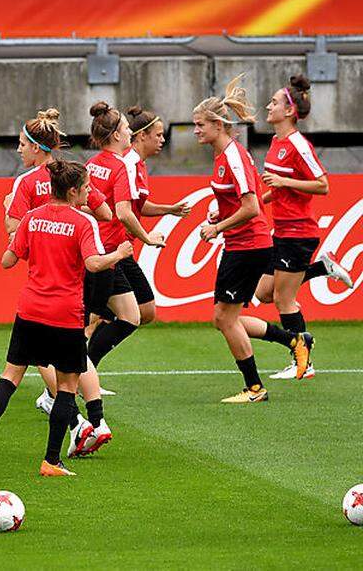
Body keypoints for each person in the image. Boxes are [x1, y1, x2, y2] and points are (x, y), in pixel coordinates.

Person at [0, 161, 133, 478]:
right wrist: (119, 254)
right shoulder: (82, 222)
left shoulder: (30, 218)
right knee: (67, 385)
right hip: (64, 314)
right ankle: (51, 461)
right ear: (72, 191)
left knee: (10, 376)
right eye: (87, 187)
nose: (90, 191)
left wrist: (14, 234)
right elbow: (94, 264)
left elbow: (7, 261)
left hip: (29, 310)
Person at [3, 109, 115, 457]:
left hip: (47, 283)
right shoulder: (74, 173)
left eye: (22, 144)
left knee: (41, 357)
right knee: (77, 353)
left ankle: (78, 423)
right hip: (79, 274)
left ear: (37, 148)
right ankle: (98, 420)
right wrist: (75, 218)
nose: (19, 150)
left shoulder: (26, 182)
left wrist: (9, 208)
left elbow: (13, 230)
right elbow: (106, 214)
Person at [193, 75, 311, 404]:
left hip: (249, 245)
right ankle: (293, 341)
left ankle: (256, 387)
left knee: (223, 318)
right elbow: (249, 197)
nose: (196, 131)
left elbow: (252, 206)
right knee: (227, 317)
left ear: (218, 124)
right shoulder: (224, 156)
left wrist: (217, 228)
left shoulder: (232, 155)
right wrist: (220, 213)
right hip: (241, 244)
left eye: (200, 124)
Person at [250, 74, 343, 380]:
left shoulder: (298, 145)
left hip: (298, 232)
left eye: (274, 102)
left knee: (283, 299)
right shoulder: (277, 142)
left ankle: (303, 362)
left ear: (289, 111)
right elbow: (276, 188)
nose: (268, 105)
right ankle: (321, 269)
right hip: (282, 231)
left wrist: (284, 181)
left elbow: (323, 185)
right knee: (264, 293)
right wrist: (254, 204)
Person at [83, 102, 166, 370]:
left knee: (130, 314)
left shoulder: (92, 164)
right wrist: (148, 238)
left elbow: (85, 205)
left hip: (98, 249)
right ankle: (70, 383)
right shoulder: (121, 166)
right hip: (111, 252)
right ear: (117, 135)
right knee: (125, 317)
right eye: (127, 128)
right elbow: (124, 212)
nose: (130, 132)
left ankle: (80, 377)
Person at [123, 105, 194, 327]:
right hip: (114, 247)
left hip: (120, 247)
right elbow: (123, 211)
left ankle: (85, 356)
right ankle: (85, 357)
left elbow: (137, 206)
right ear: (142, 136)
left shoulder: (137, 164)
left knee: (141, 311)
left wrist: (169, 209)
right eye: (159, 135)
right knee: (140, 310)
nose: (162, 140)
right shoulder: (129, 164)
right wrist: (147, 237)